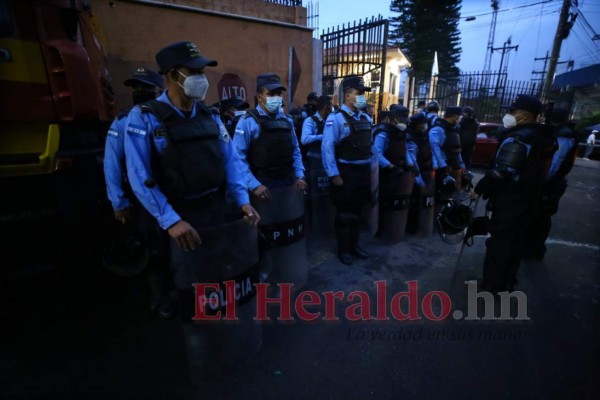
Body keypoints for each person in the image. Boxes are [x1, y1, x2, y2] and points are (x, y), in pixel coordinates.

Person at [123, 40, 259, 272]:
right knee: (183, 279)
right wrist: (170, 220)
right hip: (177, 216)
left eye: (202, 71)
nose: (201, 78)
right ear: (172, 74)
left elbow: (231, 161)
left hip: (214, 212)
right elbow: (139, 174)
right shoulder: (145, 117)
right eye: (193, 71)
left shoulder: (211, 116)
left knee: (216, 270)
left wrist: (243, 201)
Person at [104, 67, 177, 318]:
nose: (138, 92)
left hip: (173, 192)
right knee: (153, 249)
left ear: (159, 90)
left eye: (145, 87)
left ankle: (181, 290)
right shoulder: (123, 121)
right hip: (142, 197)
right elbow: (112, 164)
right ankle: (160, 299)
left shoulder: (166, 116)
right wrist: (118, 201)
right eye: (135, 87)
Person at [475, 94, 557, 293]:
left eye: (513, 111)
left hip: (510, 201)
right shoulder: (544, 137)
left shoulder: (520, 137)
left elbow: (502, 172)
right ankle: (507, 284)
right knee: (516, 244)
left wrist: (479, 189)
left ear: (526, 115)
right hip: (530, 198)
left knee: (500, 245)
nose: (508, 115)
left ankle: (491, 287)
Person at [322, 75, 374, 265]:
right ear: (347, 95)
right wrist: (334, 174)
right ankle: (343, 250)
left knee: (359, 213)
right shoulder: (335, 119)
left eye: (363, 94)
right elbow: (327, 148)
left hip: (363, 173)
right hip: (346, 173)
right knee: (345, 215)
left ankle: (355, 246)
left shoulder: (366, 118)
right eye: (358, 93)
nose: (362, 97)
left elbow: (371, 146)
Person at [232, 72, 306, 195]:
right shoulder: (248, 122)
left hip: (288, 182)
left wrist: (300, 175)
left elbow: (295, 150)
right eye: (271, 94)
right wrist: (254, 185)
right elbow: (238, 157)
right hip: (261, 184)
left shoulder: (287, 120)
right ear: (259, 97)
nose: (277, 97)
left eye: (279, 94)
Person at [527, 107, 578, 260]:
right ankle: (532, 248)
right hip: (550, 184)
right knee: (537, 218)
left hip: (549, 186)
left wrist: (539, 182)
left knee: (540, 218)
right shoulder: (559, 133)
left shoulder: (563, 136)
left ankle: (534, 251)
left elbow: (554, 164)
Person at [429, 106, 464, 198]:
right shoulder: (438, 129)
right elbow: (434, 149)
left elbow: (457, 149)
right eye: (459, 116)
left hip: (454, 167)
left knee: (453, 195)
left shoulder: (453, 129)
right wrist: (443, 166)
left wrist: (461, 164)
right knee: (443, 196)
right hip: (445, 169)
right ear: (455, 116)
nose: (460, 118)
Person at [457, 106, 480, 171]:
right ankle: (468, 176)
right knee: (467, 162)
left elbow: (458, 131)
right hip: (470, 146)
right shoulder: (476, 123)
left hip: (461, 145)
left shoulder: (462, 122)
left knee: (459, 163)